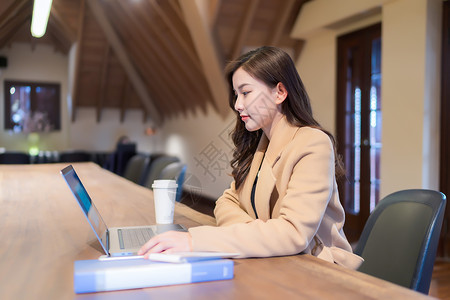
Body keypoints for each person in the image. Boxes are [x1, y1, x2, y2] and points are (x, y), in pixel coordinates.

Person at [138, 46, 363, 269]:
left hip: (319, 269)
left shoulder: (312, 143)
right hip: (278, 261)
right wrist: (257, 233)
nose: (237, 105)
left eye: (245, 92)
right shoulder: (260, 145)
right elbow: (226, 202)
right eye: (236, 95)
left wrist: (194, 241)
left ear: (280, 92)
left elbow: (293, 233)